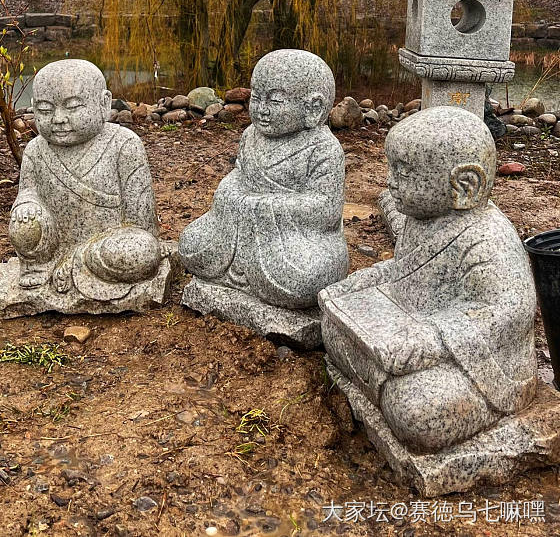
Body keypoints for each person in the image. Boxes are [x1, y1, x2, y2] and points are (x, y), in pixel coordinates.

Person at [319, 106, 537, 453]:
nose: (390, 182)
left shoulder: (487, 238)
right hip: (407, 323)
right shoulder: (419, 217)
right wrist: (358, 283)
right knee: (331, 328)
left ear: (465, 184)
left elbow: (509, 309)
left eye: (404, 173)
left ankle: (394, 389)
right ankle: (386, 378)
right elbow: (404, 270)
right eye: (392, 169)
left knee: (415, 410)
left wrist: (430, 338)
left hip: (481, 365)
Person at [179, 49, 348, 309]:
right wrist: (230, 194)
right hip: (236, 230)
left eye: (275, 101)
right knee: (191, 244)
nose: (261, 110)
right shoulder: (251, 136)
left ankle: (256, 273)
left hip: (298, 240)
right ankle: (251, 273)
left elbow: (325, 209)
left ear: (314, 108)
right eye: (256, 98)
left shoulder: (323, 147)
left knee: (305, 278)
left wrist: (262, 205)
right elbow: (238, 175)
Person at [9, 59, 166, 302]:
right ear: (34, 108)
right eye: (46, 110)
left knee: (142, 251)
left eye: (72, 107)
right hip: (50, 244)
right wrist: (26, 205)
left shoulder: (124, 144)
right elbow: (27, 193)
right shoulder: (35, 150)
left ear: (104, 104)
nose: (58, 119)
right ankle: (41, 265)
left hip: (106, 245)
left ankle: (75, 261)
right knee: (24, 223)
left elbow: (141, 223)